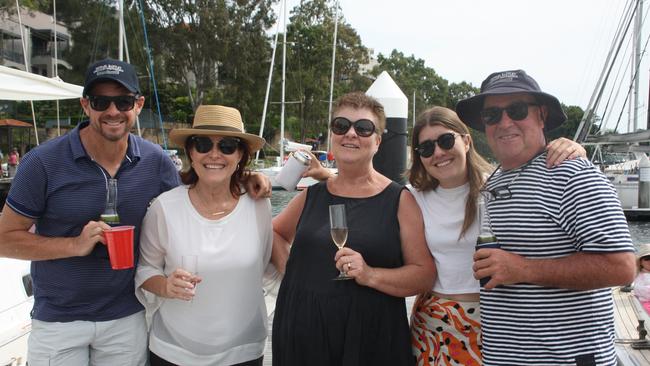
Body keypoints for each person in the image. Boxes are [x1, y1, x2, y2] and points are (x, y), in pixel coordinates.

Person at [0, 59, 271, 366]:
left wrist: (246, 180)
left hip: (125, 316)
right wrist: (72, 245)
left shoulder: (154, 161)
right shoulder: (42, 162)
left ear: (138, 105)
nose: (113, 111)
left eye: (124, 101)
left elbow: (198, 186)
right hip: (59, 319)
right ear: (85, 105)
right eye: (101, 101)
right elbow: (5, 240)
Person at [455, 69, 636, 366]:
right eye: (492, 115)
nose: (504, 122)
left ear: (541, 115)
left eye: (516, 110)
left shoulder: (574, 175)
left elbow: (621, 267)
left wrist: (523, 269)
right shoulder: (494, 183)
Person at [405, 106, 586, 365]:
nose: (438, 153)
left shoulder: (498, 186)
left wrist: (572, 148)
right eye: (426, 148)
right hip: (434, 323)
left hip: (497, 323)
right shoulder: (413, 197)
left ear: (466, 141)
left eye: (446, 141)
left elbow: (536, 171)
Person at [271, 91, 436, 366]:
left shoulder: (399, 200)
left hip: (369, 337)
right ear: (333, 135)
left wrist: (370, 275)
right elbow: (274, 233)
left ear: (378, 141)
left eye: (363, 128)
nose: (350, 133)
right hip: (304, 332)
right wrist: (291, 270)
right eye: (341, 125)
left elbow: (424, 275)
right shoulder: (311, 196)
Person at [135, 104, 272, 366]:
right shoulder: (164, 207)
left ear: (240, 155)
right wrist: (165, 286)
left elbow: (264, 264)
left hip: (243, 351)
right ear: (190, 152)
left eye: (228, 146)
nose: (214, 154)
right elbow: (145, 269)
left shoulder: (258, 205)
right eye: (203, 144)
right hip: (173, 352)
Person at [635, 244, 650, 313]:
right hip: (646, 303)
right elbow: (638, 289)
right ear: (640, 262)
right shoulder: (640, 275)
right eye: (647, 258)